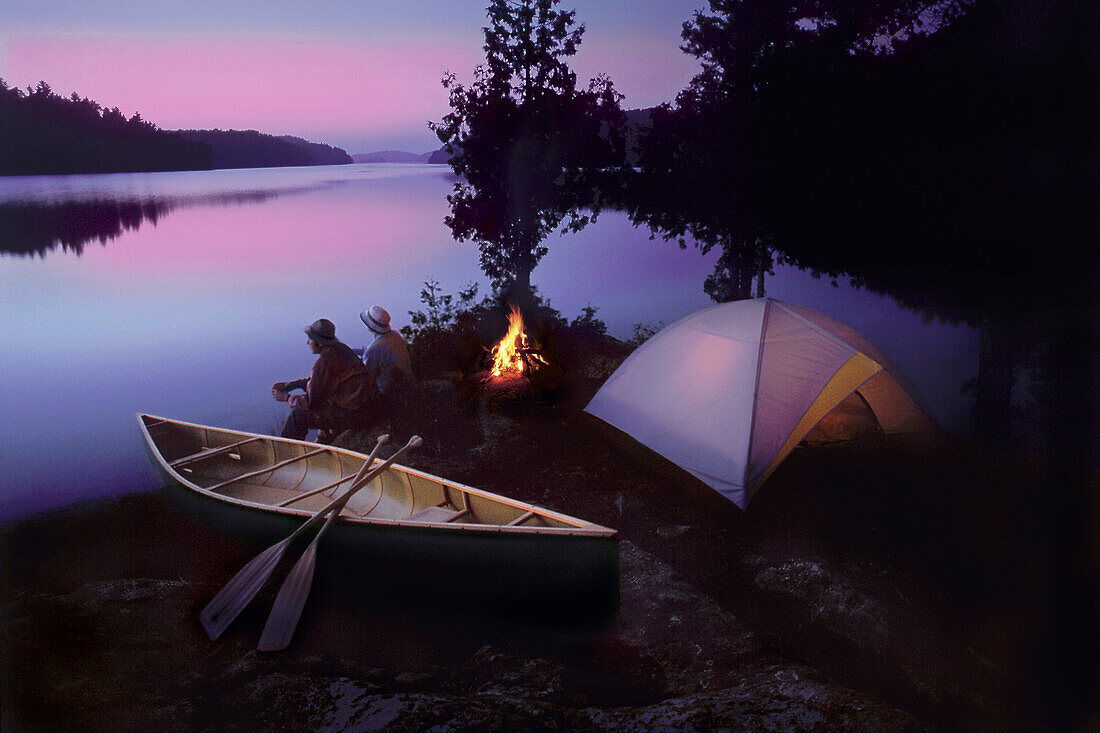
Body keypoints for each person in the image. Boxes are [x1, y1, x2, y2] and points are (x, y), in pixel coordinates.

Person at [272, 318, 378, 443]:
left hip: (353, 414)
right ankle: (324, 442)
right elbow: (320, 383)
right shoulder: (341, 349)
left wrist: (287, 397)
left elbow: (311, 402)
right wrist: (290, 385)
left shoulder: (325, 361)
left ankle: (286, 452)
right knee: (323, 405)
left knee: (298, 415)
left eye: (310, 339)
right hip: (363, 408)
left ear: (319, 343)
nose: (308, 342)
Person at [357, 305, 414, 396]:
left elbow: (367, 377)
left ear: (370, 326)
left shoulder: (374, 348)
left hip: (389, 393)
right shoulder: (396, 335)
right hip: (409, 386)